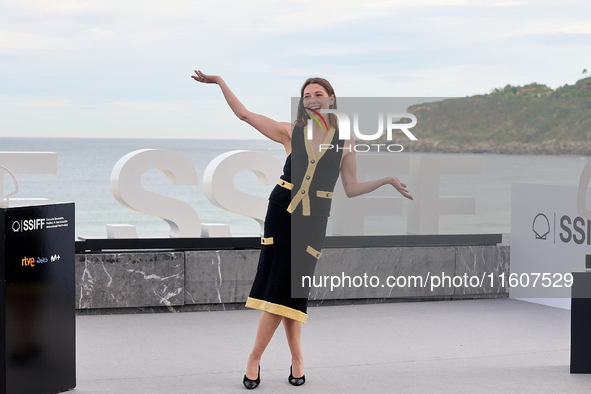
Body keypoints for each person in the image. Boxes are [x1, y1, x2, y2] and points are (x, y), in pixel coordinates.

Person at [191, 70, 413, 389]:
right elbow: (244, 114)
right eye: (306, 96)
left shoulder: (345, 140)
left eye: (318, 94)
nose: (312, 100)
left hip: (313, 222)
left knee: (294, 290)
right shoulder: (290, 132)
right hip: (281, 213)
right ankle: (258, 359)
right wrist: (220, 82)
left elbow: (350, 187)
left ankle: (291, 358)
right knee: (282, 287)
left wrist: (388, 180)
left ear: (332, 99)